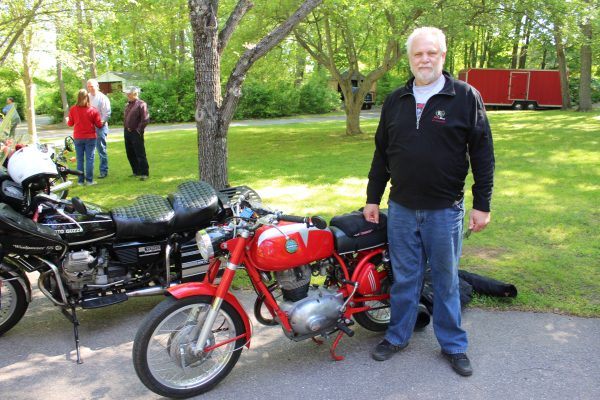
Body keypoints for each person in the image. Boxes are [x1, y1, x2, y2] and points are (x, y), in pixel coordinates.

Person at [363, 27, 495, 377]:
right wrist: (372, 198)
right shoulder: (395, 100)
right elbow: (382, 153)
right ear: (410, 58)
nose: (424, 59)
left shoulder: (466, 96)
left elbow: (483, 155)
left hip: (445, 211)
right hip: (402, 208)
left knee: (447, 280)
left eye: (431, 53)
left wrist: (482, 204)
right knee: (405, 278)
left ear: (442, 56)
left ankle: (453, 345)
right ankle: (397, 336)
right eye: (418, 54)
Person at [67, 89, 103, 186]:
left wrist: (68, 120)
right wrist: (103, 122)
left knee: (80, 159)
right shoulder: (93, 110)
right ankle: (89, 180)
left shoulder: (73, 109)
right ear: (87, 97)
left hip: (78, 137)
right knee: (90, 159)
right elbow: (99, 125)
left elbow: (70, 123)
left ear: (78, 97)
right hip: (90, 137)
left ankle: (80, 181)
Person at [123, 86, 150, 181]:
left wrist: (138, 130)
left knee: (140, 153)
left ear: (135, 94)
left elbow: (145, 119)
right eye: (127, 94)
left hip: (136, 132)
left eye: (129, 94)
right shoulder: (128, 104)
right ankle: (136, 171)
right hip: (127, 132)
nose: (127, 95)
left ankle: (144, 173)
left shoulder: (141, 104)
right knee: (130, 153)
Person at [86, 79, 111, 179]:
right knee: (89, 151)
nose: (90, 88)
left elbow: (106, 114)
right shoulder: (87, 97)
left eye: (92, 86)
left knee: (101, 150)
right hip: (88, 128)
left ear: (97, 86)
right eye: (89, 86)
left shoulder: (102, 98)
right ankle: (89, 172)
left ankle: (103, 171)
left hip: (100, 127)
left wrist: (100, 124)